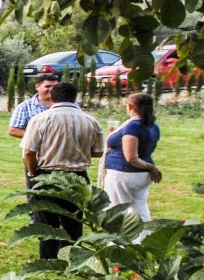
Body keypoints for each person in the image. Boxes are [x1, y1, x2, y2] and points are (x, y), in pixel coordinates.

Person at [21, 81, 104, 258]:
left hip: (47, 174)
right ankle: (72, 258)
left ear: (51, 96)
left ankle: (49, 259)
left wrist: (33, 172)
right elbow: (97, 152)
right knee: (74, 221)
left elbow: (29, 152)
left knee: (46, 223)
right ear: (75, 97)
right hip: (78, 177)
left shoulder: (40, 119)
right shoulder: (91, 121)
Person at [102, 91, 162, 222]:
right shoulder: (153, 126)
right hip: (141, 175)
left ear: (130, 107)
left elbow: (131, 157)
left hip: (124, 173)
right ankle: (144, 240)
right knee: (140, 210)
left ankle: (116, 242)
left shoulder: (133, 127)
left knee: (116, 210)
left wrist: (151, 167)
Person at [8, 74, 57, 139]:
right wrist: (42, 137)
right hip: (37, 148)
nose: (51, 89)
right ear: (37, 87)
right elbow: (14, 130)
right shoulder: (24, 107)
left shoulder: (68, 104)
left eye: (55, 87)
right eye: (47, 86)